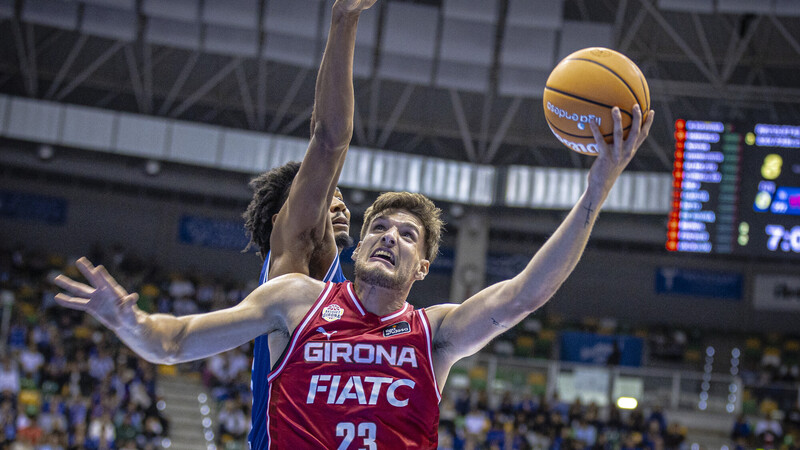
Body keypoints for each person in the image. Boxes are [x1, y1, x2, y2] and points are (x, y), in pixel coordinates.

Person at [54, 95, 653, 447]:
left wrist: (597, 190)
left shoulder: (434, 333)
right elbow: (174, 341)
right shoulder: (296, 300)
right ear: (359, 245)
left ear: (421, 267)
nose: (388, 236)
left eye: (407, 234)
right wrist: (125, 320)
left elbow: (525, 295)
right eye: (379, 227)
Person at [240, 0, 374, 446]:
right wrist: (345, 19)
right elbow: (329, 137)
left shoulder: (339, 286)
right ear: (283, 219)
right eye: (325, 198)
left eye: (340, 198)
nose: (338, 206)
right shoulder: (293, 258)